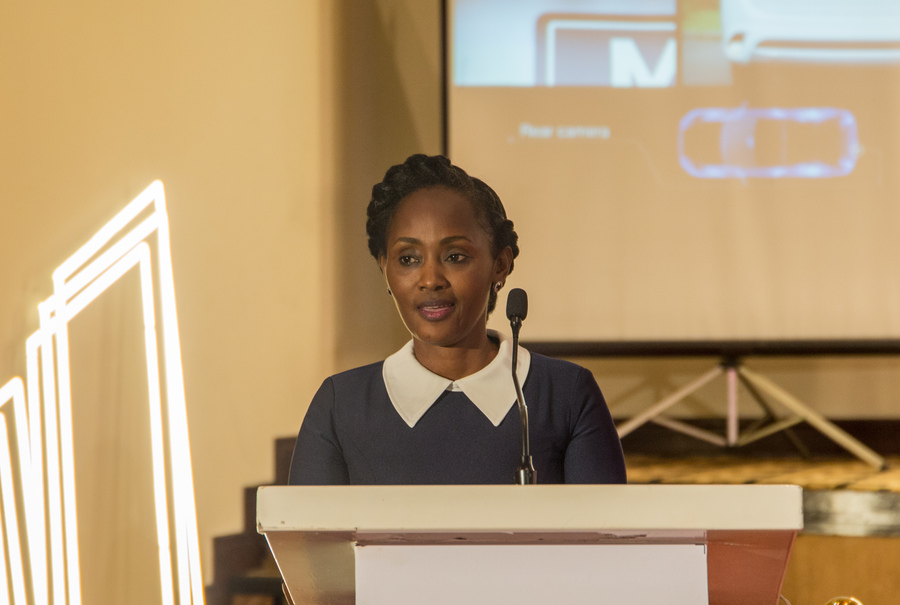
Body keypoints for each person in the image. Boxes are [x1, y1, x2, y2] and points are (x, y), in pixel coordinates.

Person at [289, 154, 626, 485]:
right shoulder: (340, 406)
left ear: (500, 265)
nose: (430, 278)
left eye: (455, 256)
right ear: (384, 268)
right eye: (408, 259)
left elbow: (605, 537)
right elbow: (310, 540)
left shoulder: (565, 395)